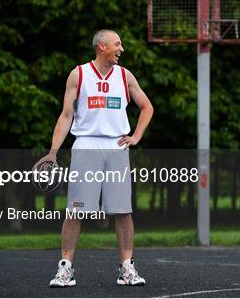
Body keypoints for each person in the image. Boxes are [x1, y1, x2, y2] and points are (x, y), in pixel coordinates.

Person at [34, 29, 153, 288]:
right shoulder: (79, 74)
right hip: (86, 146)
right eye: (117, 44)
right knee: (75, 210)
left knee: (123, 211)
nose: (121, 48)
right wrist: (53, 151)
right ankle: (65, 268)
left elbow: (147, 107)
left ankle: (127, 269)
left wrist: (136, 136)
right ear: (102, 46)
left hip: (116, 146)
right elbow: (66, 116)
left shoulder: (125, 76)